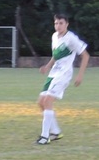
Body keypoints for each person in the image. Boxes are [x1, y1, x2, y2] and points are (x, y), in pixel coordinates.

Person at [36, 13, 90, 145]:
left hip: (64, 74)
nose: (58, 26)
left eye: (61, 23)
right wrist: (47, 67)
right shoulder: (54, 36)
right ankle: (55, 132)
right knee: (41, 102)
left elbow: (86, 56)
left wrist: (80, 75)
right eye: (56, 23)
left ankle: (45, 137)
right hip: (53, 74)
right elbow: (56, 55)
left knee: (48, 100)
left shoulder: (71, 38)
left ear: (67, 24)